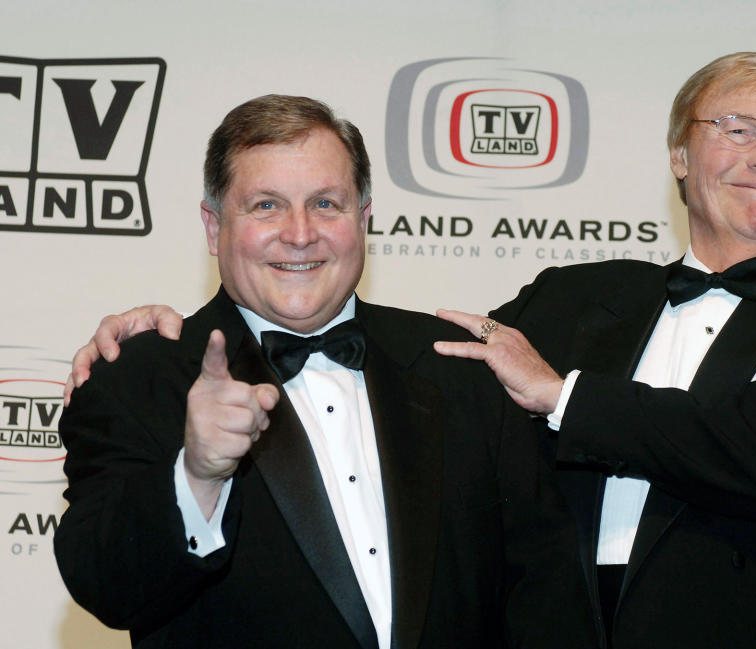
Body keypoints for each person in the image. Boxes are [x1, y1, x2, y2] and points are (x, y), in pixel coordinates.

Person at [66, 53, 756, 648]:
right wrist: (153, 344)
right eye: (740, 128)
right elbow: (432, 363)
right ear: (680, 152)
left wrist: (566, 398)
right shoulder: (570, 299)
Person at [53, 95, 595, 649]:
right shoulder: (135, 377)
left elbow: (546, 591)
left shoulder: (461, 367)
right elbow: (105, 586)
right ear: (214, 228)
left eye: (326, 204)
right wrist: (196, 476)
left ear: (363, 221)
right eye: (266, 205)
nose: (299, 233)